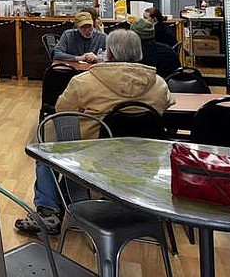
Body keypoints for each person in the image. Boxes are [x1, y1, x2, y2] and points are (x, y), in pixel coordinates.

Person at [15, 29, 174, 235]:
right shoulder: (159, 83)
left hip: (93, 158)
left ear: (108, 53)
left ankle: (49, 211)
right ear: (139, 52)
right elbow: (168, 106)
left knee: (45, 148)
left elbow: (62, 110)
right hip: (146, 159)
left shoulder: (84, 81)